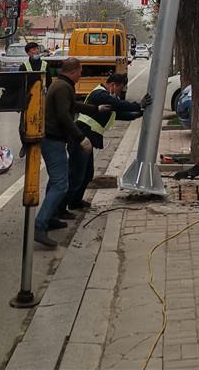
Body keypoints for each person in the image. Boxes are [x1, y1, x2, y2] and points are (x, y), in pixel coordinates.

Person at [66, 74, 151, 211]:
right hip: (81, 137)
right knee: (77, 174)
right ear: (113, 85)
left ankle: (76, 202)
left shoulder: (106, 98)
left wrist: (137, 113)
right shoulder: (100, 94)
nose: (120, 93)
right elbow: (118, 105)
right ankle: (66, 206)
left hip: (87, 138)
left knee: (87, 174)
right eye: (120, 89)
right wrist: (137, 105)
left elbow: (116, 113)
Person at [34, 57, 92, 248]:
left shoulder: (61, 85)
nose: (81, 75)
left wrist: (95, 108)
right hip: (53, 140)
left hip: (54, 139)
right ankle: (40, 225)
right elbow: (64, 115)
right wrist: (80, 137)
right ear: (74, 71)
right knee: (61, 184)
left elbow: (72, 106)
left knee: (55, 180)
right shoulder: (63, 87)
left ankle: (50, 218)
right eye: (80, 71)